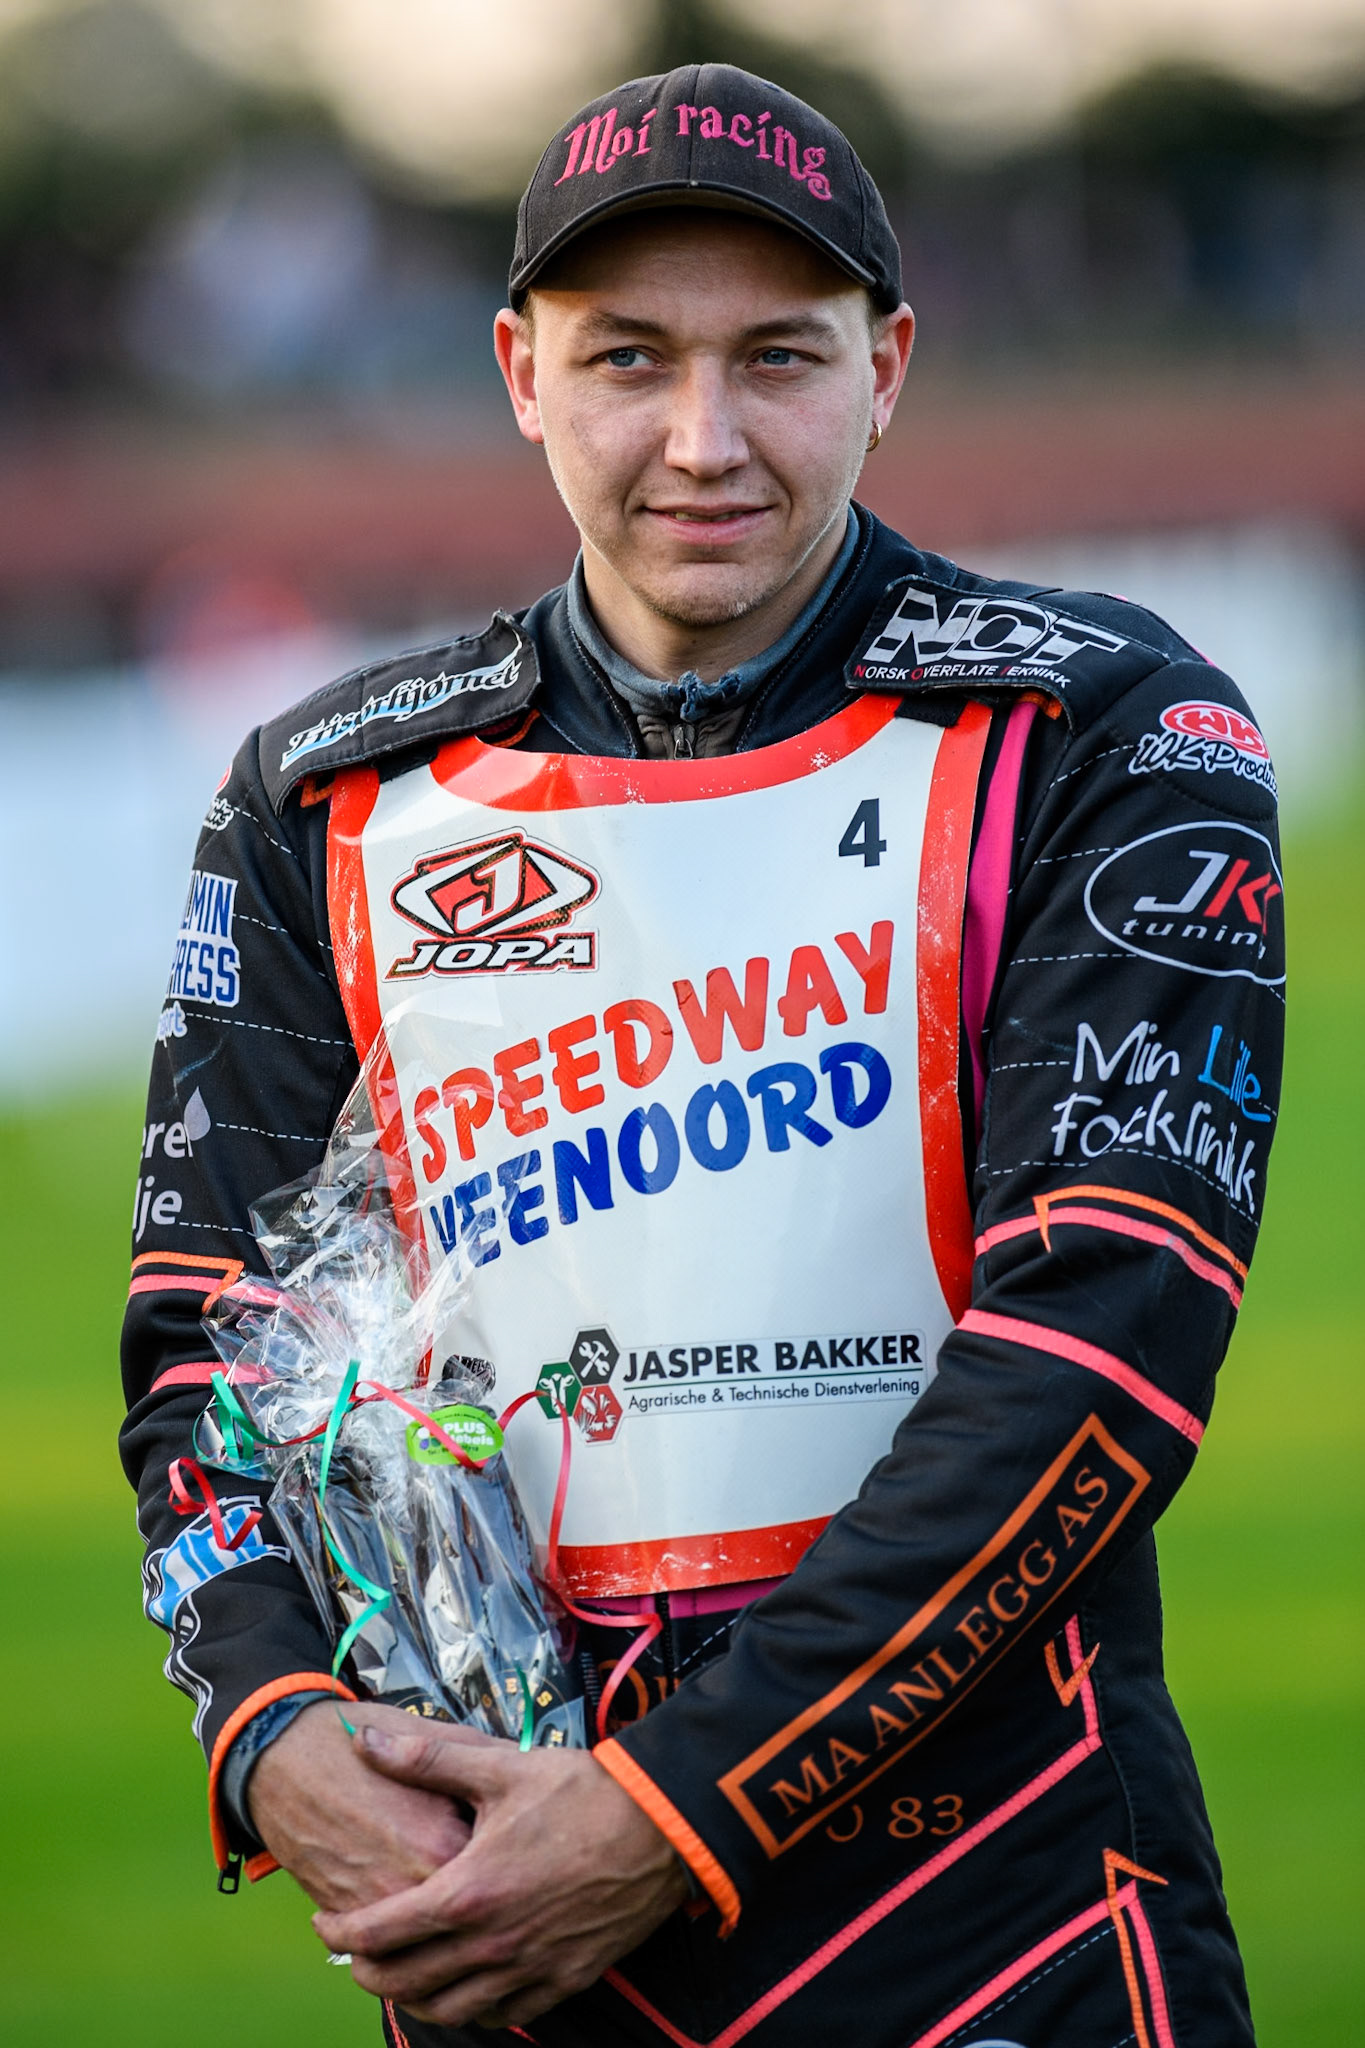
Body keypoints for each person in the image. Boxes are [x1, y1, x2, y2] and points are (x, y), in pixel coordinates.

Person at [122, 62, 1283, 2048]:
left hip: (989, 1912)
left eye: (776, 359)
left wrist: (673, 1809)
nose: (700, 440)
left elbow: (1098, 1352)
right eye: (625, 360)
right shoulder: (320, 794)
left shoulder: (1105, 732)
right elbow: (204, 1350)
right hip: (501, 1919)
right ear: (515, 369)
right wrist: (273, 1724)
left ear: (886, 362)